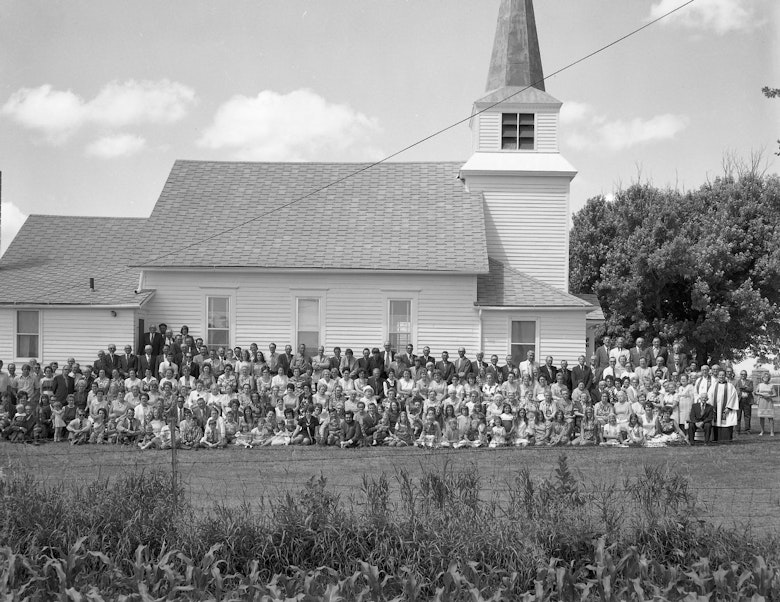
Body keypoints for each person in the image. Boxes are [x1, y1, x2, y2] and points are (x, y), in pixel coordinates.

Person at [707, 369, 739, 442]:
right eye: (720, 375)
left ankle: (726, 438)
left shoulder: (730, 386)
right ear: (717, 376)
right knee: (716, 422)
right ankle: (716, 438)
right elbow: (709, 396)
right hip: (716, 410)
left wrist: (729, 408)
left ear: (725, 376)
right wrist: (711, 407)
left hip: (726, 410)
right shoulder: (713, 386)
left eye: (723, 375)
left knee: (727, 422)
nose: (721, 376)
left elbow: (733, 397)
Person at [755, 372, 775, 436]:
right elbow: (755, 392)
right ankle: (762, 431)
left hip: (769, 402)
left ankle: (772, 432)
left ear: (769, 378)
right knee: (761, 417)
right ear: (762, 378)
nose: (766, 378)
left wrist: (770, 396)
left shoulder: (771, 385)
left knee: (770, 417)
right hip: (762, 401)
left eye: (767, 377)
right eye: (764, 377)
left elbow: (775, 394)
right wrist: (761, 394)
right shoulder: (760, 385)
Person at [735, 370, 754, 434]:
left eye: (744, 374)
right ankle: (737, 430)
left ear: (746, 375)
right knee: (738, 416)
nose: (743, 375)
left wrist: (743, 388)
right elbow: (737, 389)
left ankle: (747, 430)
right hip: (739, 400)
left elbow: (751, 389)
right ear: (740, 375)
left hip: (747, 401)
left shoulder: (750, 381)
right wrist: (745, 387)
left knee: (747, 416)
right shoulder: (737, 381)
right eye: (742, 374)